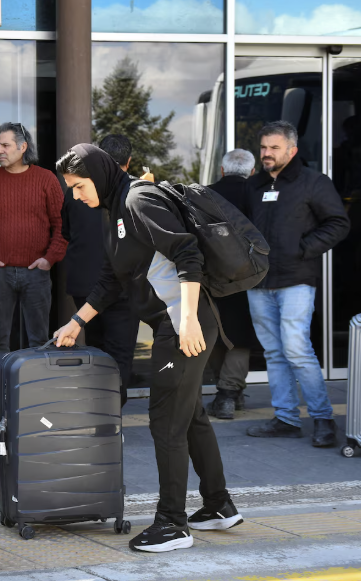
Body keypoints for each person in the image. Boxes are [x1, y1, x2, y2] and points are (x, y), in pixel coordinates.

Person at [55, 144, 240, 554]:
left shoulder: (139, 200)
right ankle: (218, 505)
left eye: (79, 186)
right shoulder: (114, 211)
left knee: (165, 423)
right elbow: (111, 279)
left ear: (98, 175)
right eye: (71, 188)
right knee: (189, 415)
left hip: (183, 326)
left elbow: (187, 253)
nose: (75, 196)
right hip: (176, 324)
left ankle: (173, 524)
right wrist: (76, 322)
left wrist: (187, 320)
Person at [243, 122, 349, 447]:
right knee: (274, 353)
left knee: (296, 349)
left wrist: (302, 249)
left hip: (296, 280)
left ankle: (323, 419)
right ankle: (286, 419)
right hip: (259, 281)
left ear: (292, 150)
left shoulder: (313, 182)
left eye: (274, 148)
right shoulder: (254, 185)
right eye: (263, 147)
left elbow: (338, 223)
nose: (266, 153)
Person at [0, 122, 65, 383]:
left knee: (38, 339)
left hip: (37, 272)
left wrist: (49, 259)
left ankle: (35, 394)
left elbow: (62, 225)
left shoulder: (46, 179)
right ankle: (3, 395)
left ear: (22, 147)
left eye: (5, 145)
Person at [59, 134, 139, 405]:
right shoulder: (133, 193)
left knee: (96, 349)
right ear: (128, 161)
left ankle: (99, 407)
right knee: (119, 353)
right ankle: (110, 409)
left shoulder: (76, 191)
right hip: (122, 287)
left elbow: (66, 231)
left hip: (85, 282)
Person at [204, 149, 260, 420]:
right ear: (252, 171)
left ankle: (227, 394)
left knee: (215, 332)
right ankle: (228, 394)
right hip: (248, 276)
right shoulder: (257, 194)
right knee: (240, 336)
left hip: (210, 274)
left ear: (222, 170)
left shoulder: (202, 195)